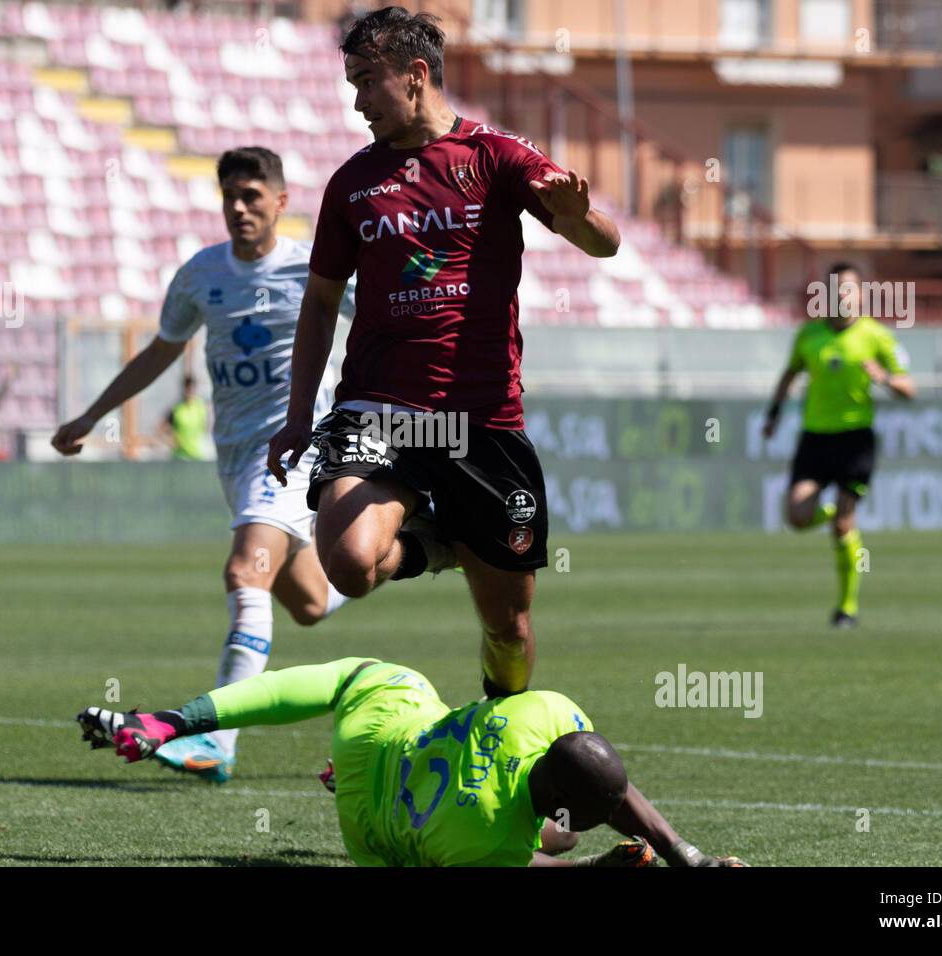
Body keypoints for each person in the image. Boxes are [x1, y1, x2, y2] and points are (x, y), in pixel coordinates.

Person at [267, 7, 621, 700]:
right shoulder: (353, 183)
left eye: (368, 81)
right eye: (352, 84)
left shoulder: (496, 156)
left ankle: (502, 735)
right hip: (380, 407)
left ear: (417, 74)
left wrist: (579, 216)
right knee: (347, 564)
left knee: (508, 631)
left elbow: (605, 243)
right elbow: (317, 304)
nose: (359, 101)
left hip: (481, 418)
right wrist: (297, 413)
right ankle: (435, 545)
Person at [51, 147, 356, 782]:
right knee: (306, 601)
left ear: (280, 201)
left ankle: (216, 744)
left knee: (246, 571)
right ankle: (405, 553)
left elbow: (384, 323)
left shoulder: (312, 268)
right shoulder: (200, 276)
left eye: (252, 195)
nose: (240, 208)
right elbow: (162, 351)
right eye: (230, 197)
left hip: (295, 446)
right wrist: (91, 415)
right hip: (237, 454)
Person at [78, 657, 748, 868]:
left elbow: (601, 780)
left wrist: (679, 854)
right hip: (367, 821)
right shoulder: (487, 838)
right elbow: (540, 864)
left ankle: (175, 720)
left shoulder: (544, 711)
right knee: (554, 844)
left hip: (382, 731)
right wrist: (601, 866)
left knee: (362, 674)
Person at [762, 262, 916, 628]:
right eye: (836, 289)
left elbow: (910, 388)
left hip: (855, 440)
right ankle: (834, 515)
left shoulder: (876, 336)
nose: (843, 295)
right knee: (797, 517)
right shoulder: (809, 335)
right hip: (815, 439)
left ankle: (846, 609)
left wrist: (884, 379)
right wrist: (774, 414)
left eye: (849, 288)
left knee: (844, 524)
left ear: (861, 295)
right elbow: (789, 374)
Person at [161, 374, 211, 461]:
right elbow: (161, 428)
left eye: (192, 389)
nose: (190, 392)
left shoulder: (202, 407)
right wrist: (171, 440)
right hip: (180, 457)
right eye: (187, 389)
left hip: (197, 455)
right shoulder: (177, 409)